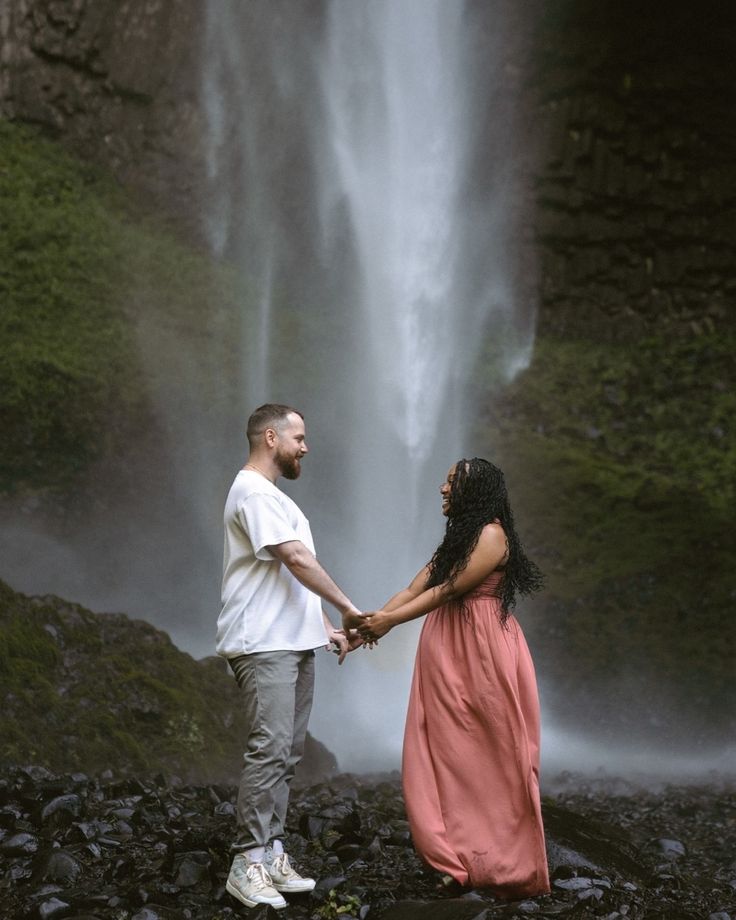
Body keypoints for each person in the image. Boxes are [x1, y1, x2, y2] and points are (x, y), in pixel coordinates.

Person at [352, 458, 550, 899]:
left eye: (451, 483)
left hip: (483, 650)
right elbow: (412, 590)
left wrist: (388, 625)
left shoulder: (492, 535)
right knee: (442, 744)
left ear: (474, 492)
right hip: (446, 647)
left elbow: (448, 590)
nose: (442, 489)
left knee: (491, 746)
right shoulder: (459, 539)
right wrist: (363, 628)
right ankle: (456, 854)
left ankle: (502, 859)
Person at [216, 403, 362, 911]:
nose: (306, 446)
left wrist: (325, 629)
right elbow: (296, 560)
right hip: (262, 643)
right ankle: (246, 862)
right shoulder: (253, 492)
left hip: (292, 642)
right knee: (270, 748)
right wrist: (347, 608)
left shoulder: (271, 497)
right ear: (271, 437)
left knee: (288, 753)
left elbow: (286, 583)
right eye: (299, 437)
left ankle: (271, 850)